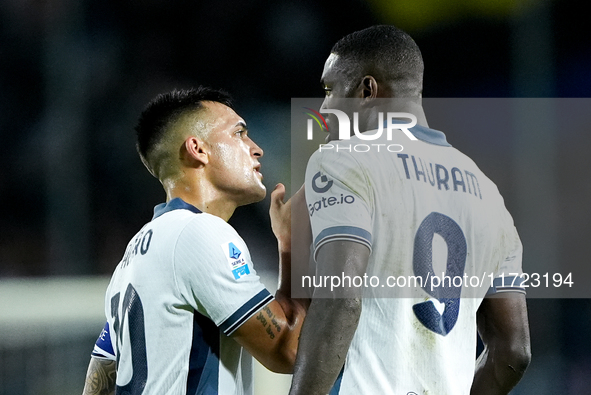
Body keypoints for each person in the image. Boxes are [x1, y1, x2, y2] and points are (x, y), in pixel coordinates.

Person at [289, 25, 531, 394]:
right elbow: (514, 350)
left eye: (329, 90)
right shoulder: (488, 193)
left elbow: (341, 298)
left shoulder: (343, 160)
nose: (322, 108)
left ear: (366, 90)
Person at [81, 87, 307, 395]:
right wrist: (296, 244)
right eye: (239, 134)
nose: (256, 149)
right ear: (197, 149)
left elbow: (99, 383)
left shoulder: (133, 255)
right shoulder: (199, 233)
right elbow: (289, 350)